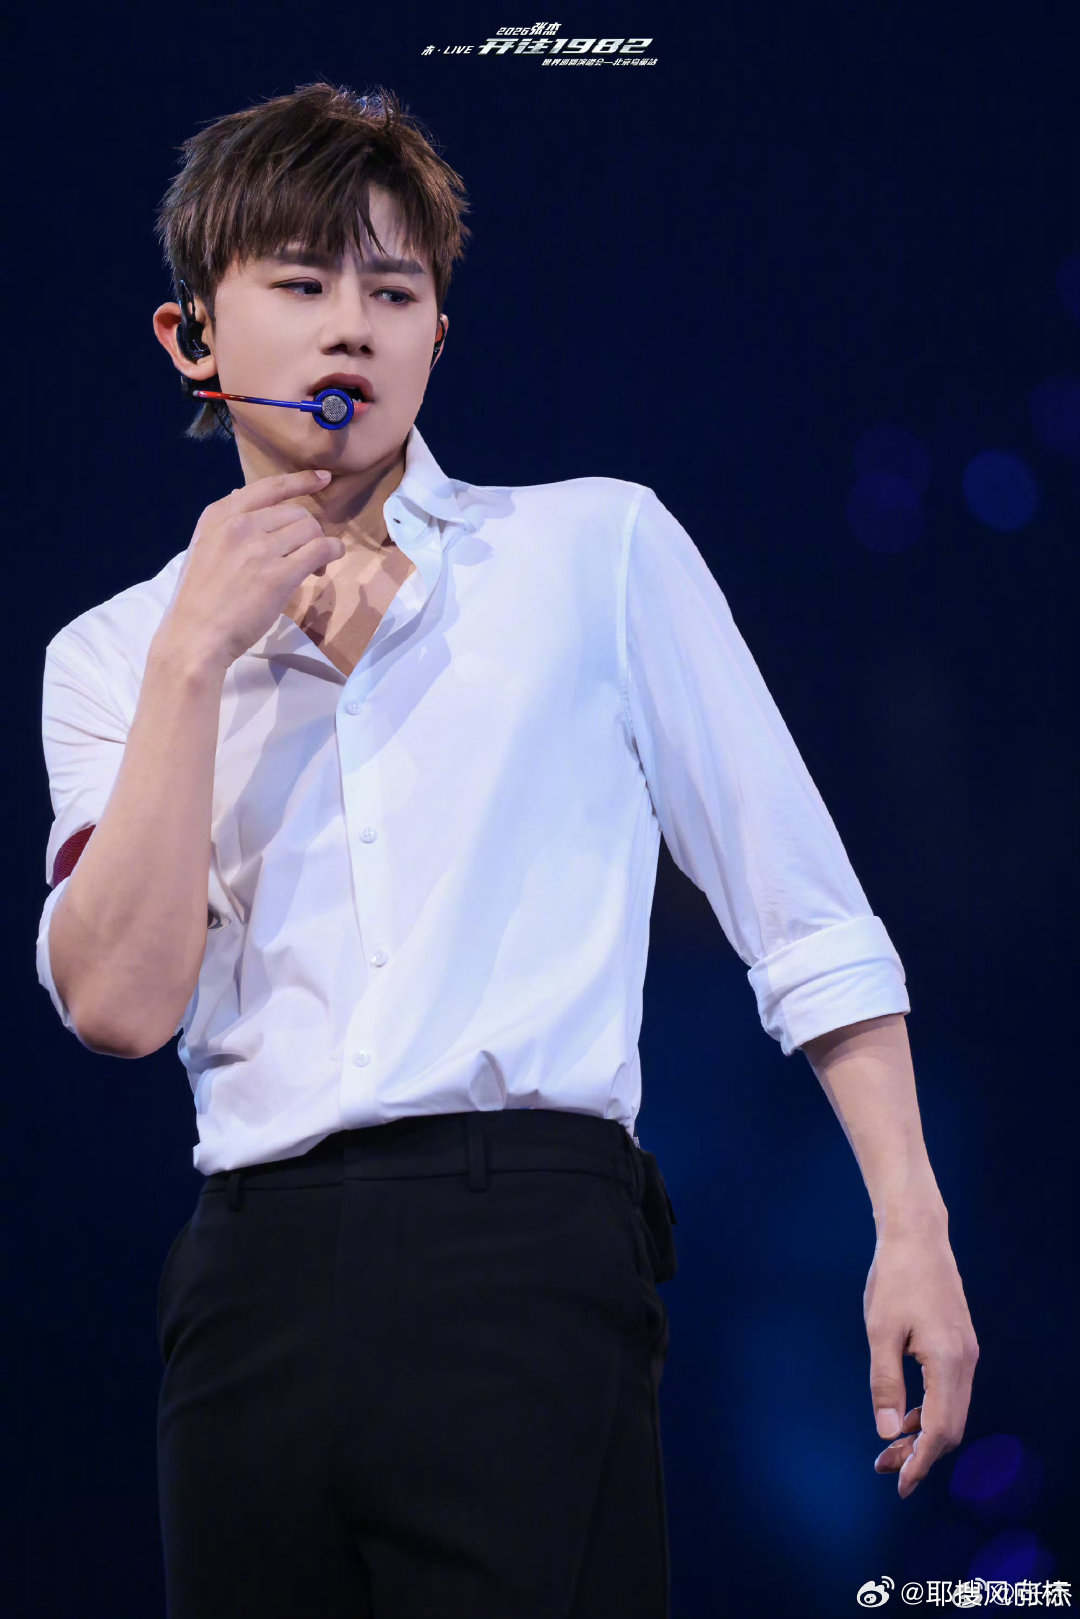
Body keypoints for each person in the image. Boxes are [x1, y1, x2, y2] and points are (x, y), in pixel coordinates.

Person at [35, 81, 977, 1619]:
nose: (352, 330)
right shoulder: (115, 654)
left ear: (437, 336)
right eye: (301, 285)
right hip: (252, 1275)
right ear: (191, 337)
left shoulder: (594, 552)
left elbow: (802, 914)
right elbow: (120, 1006)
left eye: (393, 292)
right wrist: (195, 657)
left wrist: (911, 1224)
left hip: (524, 1248)